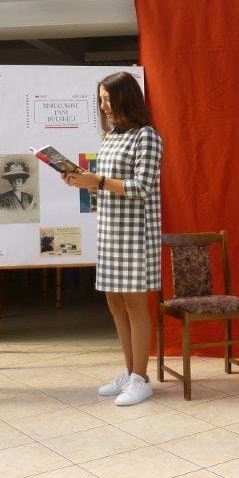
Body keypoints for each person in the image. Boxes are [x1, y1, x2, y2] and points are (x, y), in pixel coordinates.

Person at [63, 72, 163, 406]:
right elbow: (106, 185)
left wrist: (99, 181)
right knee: (115, 303)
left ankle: (141, 379)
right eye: (101, 99)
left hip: (135, 233)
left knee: (135, 304)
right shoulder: (110, 137)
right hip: (109, 230)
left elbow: (142, 187)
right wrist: (84, 182)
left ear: (126, 98)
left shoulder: (147, 136)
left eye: (108, 99)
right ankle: (130, 371)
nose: (104, 105)